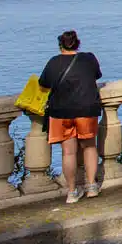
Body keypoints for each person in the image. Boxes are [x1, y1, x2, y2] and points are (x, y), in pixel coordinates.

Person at [39, 30, 103, 204]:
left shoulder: (53, 62)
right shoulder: (89, 59)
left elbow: (43, 83)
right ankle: (91, 186)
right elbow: (97, 75)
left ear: (60, 46)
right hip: (86, 109)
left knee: (68, 152)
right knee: (89, 147)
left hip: (61, 112)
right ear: (77, 44)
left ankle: (72, 191)